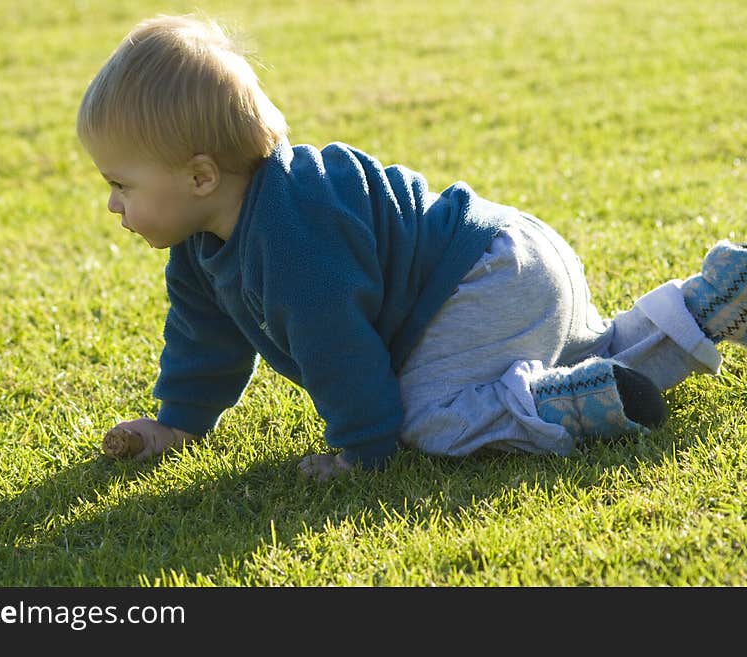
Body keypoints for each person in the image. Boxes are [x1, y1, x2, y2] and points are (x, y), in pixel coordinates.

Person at [76, 14, 745, 481]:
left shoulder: (288, 235)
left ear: (199, 176)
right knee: (588, 345)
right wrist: (179, 424)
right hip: (509, 258)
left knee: (424, 420)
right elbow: (204, 340)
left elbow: (337, 346)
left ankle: (559, 406)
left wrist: (363, 449)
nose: (113, 204)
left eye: (121, 184)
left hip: (482, 282)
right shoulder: (203, 242)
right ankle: (703, 304)